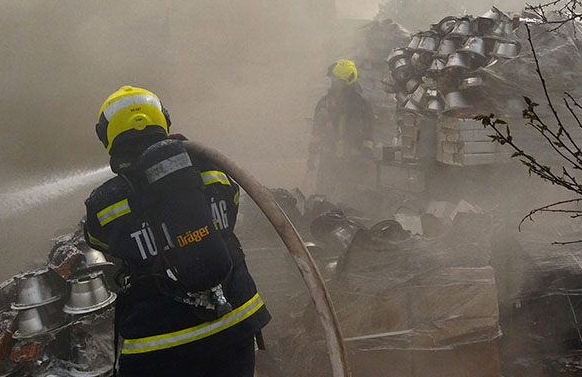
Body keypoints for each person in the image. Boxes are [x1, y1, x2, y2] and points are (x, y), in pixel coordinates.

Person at [83, 86, 270, 377]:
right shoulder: (214, 172)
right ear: (164, 121)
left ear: (107, 135)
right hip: (235, 324)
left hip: (159, 345)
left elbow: (97, 240)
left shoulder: (106, 202)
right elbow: (231, 210)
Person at [308, 59, 375, 199]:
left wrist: (367, 151)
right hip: (328, 160)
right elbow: (317, 131)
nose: (334, 84)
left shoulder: (362, 106)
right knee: (322, 197)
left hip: (352, 162)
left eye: (337, 81)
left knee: (350, 199)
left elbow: (368, 132)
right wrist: (312, 154)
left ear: (348, 82)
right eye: (333, 80)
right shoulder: (325, 103)